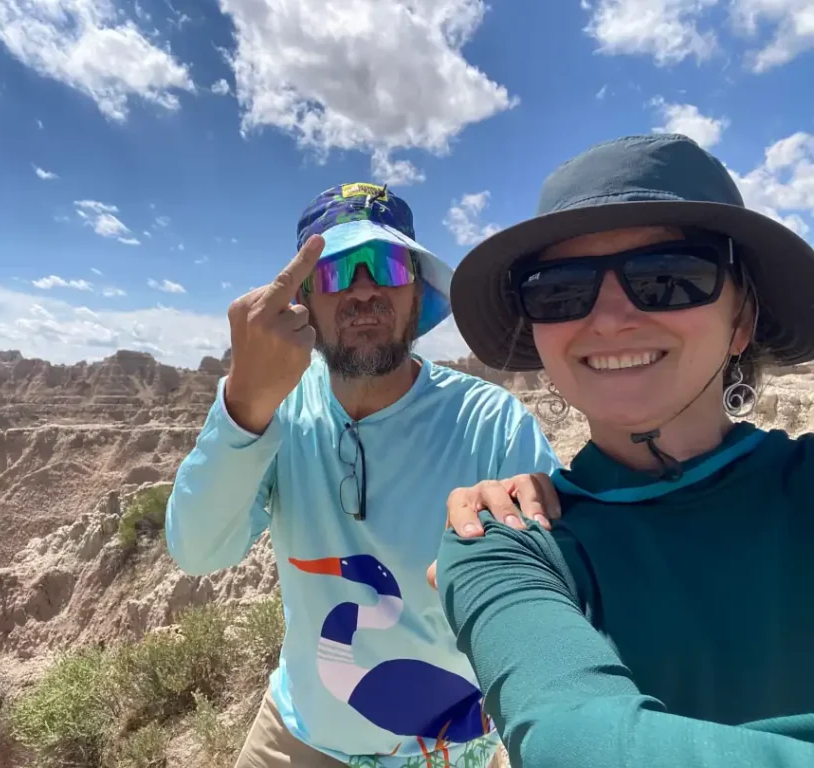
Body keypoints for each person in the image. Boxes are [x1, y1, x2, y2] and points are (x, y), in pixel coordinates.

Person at [431, 133, 814, 768]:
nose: (609, 318)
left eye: (668, 277)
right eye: (560, 290)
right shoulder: (506, 540)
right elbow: (572, 738)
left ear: (742, 318)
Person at [165, 182, 562, 768]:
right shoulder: (272, 410)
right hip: (297, 736)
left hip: (449, 750)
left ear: (413, 288)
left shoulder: (491, 422)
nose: (363, 289)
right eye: (334, 271)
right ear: (301, 301)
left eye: (385, 264)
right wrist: (243, 407)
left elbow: (557, 596)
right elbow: (198, 550)